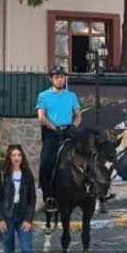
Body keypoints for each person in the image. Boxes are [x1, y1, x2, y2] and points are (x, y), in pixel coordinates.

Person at [36, 65, 81, 213]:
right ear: (51, 79)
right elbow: (41, 117)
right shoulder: (43, 96)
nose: (60, 79)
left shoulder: (72, 96)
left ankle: (92, 191)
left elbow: (78, 115)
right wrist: (53, 128)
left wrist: (74, 126)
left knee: (87, 155)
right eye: (56, 77)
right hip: (52, 132)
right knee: (46, 163)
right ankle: (48, 197)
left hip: (69, 130)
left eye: (62, 77)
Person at [0, 144, 36, 253]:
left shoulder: (28, 175)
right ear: (9, 157)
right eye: (13, 155)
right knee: (8, 251)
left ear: (22, 157)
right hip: (7, 217)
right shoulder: (2, 174)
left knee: (27, 248)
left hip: (23, 216)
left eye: (19, 155)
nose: (17, 158)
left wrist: (29, 219)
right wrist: (0, 219)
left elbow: (32, 199)